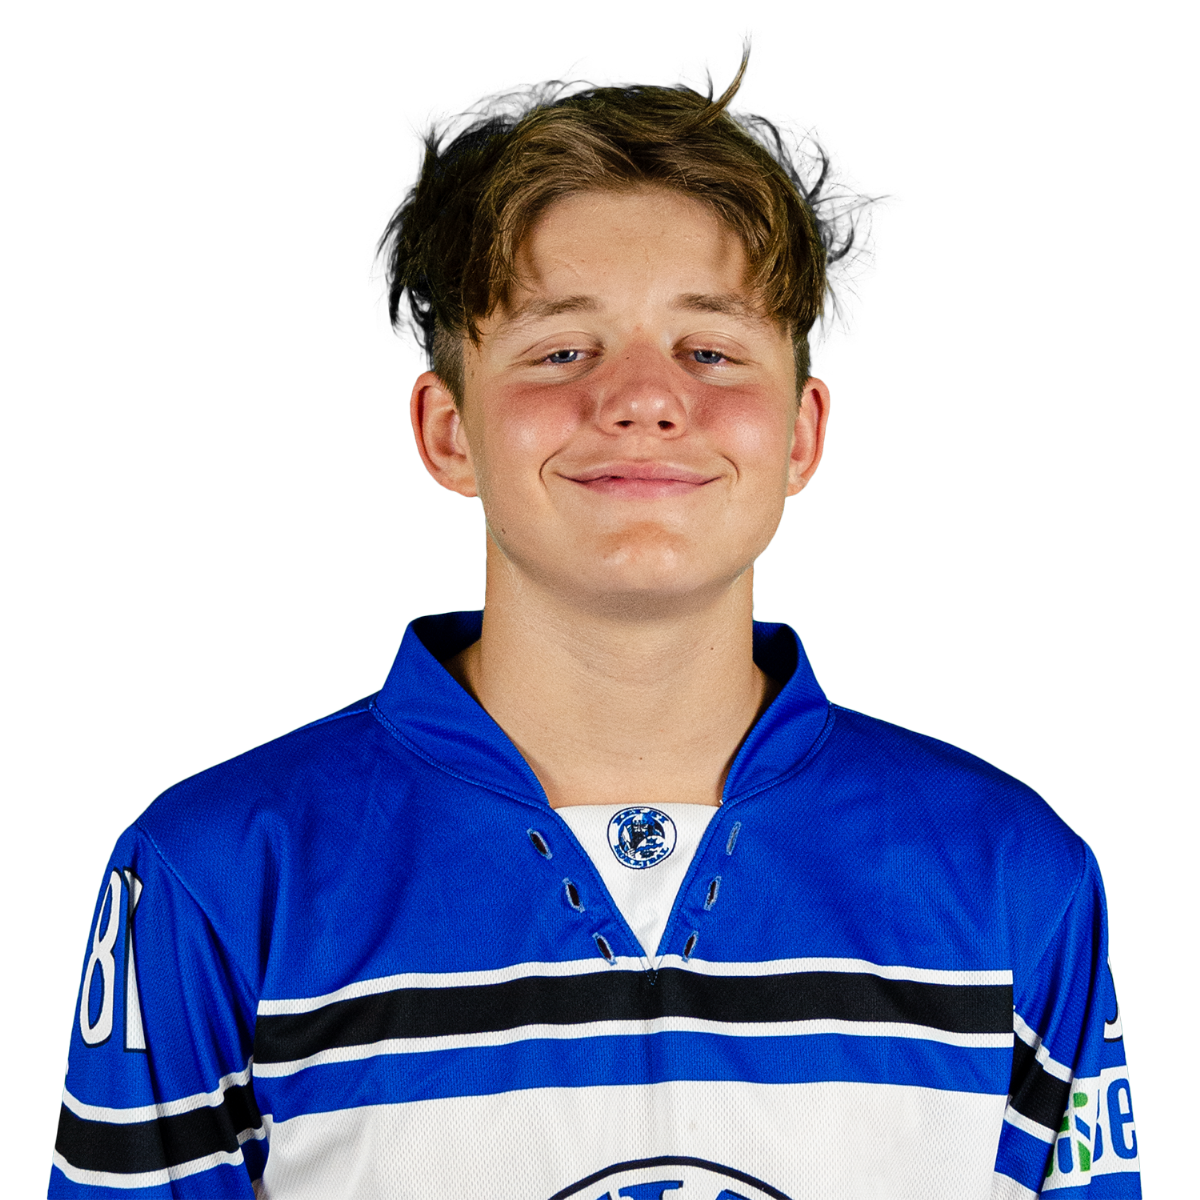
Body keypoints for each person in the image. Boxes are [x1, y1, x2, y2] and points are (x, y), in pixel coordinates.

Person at [49, 60, 1140, 1200]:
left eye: (710, 351)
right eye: (563, 350)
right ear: (449, 433)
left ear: (802, 436)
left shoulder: (1014, 875)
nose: (643, 399)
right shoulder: (219, 872)